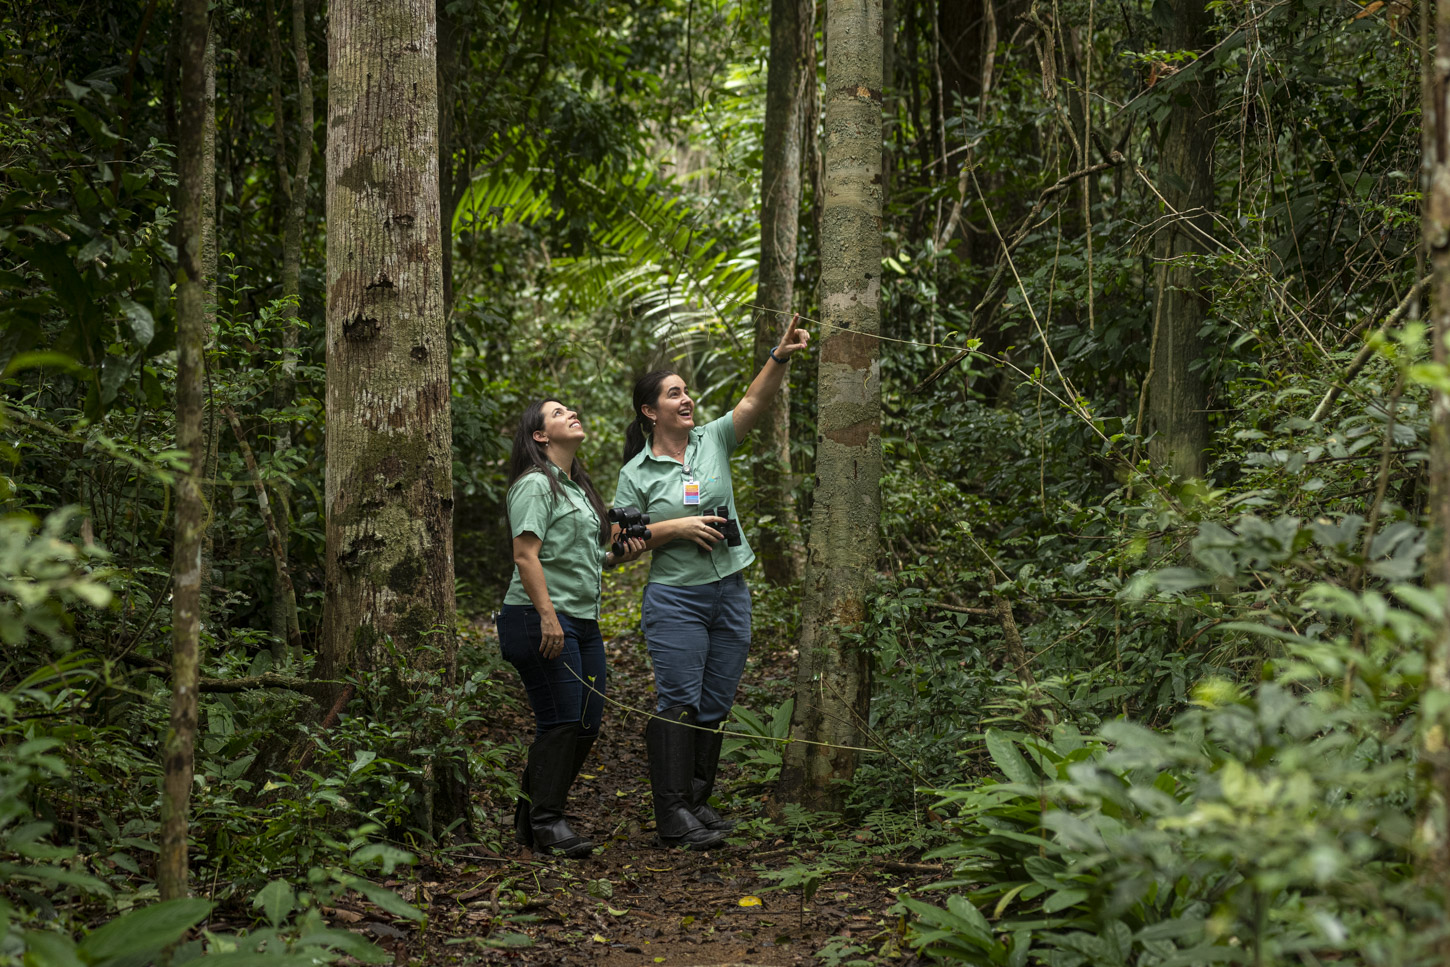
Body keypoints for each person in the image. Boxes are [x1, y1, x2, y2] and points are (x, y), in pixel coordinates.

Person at [615, 315, 810, 849]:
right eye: (673, 393)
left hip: (731, 591)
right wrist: (674, 527)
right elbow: (618, 546)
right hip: (676, 598)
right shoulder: (636, 473)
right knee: (678, 698)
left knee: (716, 701)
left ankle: (696, 803)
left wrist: (780, 355)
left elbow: (752, 403)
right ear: (650, 411)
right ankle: (672, 813)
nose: (686, 399)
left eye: (687, 391)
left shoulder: (712, 441)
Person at [496, 399, 645, 858]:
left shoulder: (576, 489)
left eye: (572, 409)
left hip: (581, 622)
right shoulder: (536, 485)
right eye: (558, 413)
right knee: (560, 721)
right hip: (537, 618)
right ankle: (547, 821)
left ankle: (531, 820)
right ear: (540, 436)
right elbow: (526, 555)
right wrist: (547, 616)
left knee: (585, 723)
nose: (572, 413)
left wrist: (619, 555)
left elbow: (577, 558)